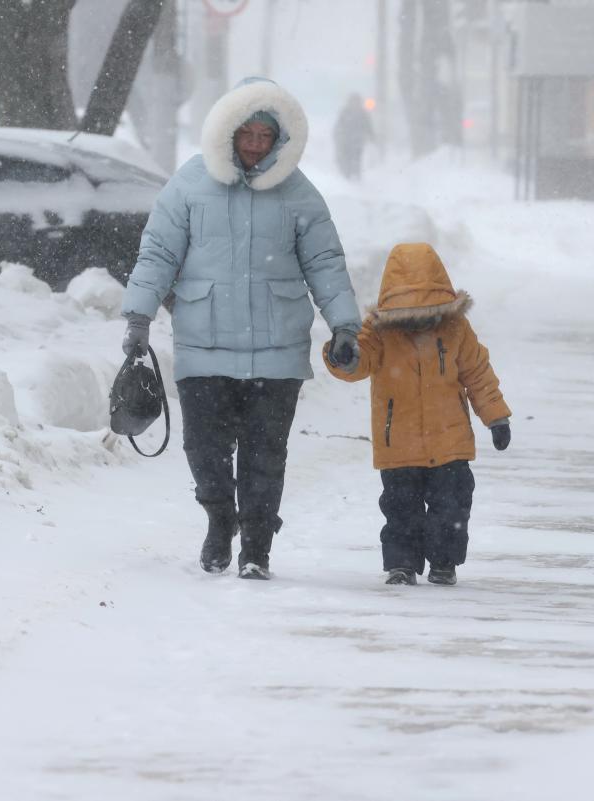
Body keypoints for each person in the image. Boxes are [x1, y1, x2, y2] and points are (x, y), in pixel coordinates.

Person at [121, 77, 362, 580]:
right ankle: (218, 518)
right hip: (203, 344)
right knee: (203, 449)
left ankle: (256, 545)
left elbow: (324, 262)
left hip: (277, 350)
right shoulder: (188, 186)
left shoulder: (300, 195)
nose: (255, 145)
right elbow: (159, 254)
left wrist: (343, 325)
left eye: (265, 136)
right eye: (246, 133)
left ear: (281, 140)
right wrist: (138, 318)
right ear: (227, 133)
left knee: (265, 454)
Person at [323, 243, 511, 586]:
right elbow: (358, 362)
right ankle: (402, 564)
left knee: (451, 508)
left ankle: (443, 562)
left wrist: (496, 416)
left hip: (450, 442)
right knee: (400, 511)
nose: (418, 319)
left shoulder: (455, 329)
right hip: (399, 446)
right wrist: (342, 356)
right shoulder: (378, 332)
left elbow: (477, 373)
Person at [333, 93, 375, 181]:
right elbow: (339, 125)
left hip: (358, 141)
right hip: (346, 141)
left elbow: (368, 126)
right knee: (346, 158)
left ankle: (356, 176)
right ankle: (347, 176)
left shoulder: (363, 113)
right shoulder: (345, 112)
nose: (355, 104)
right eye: (353, 102)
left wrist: (372, 137)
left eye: (357, 102)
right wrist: (337, 136)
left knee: (357, 159)